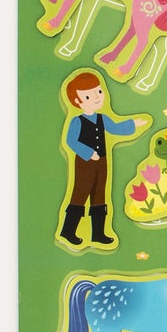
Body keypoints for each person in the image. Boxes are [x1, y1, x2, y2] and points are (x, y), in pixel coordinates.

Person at [60, 71, 145, 247]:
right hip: (84, 163)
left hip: (102, 162)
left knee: (100, 195)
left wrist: (133, 124)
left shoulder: (102, 118)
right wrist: (88, 153)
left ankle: (98, 233)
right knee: (80, 193)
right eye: (88, 96)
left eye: (99, 92)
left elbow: (115, 128)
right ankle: (68, 230)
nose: (97, 97)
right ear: (78, 101)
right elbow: (71, 141)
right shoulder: (77, 121)